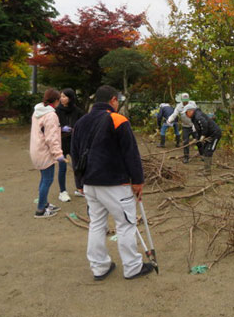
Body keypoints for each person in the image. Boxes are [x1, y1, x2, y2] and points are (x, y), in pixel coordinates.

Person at [71, 85, 153, 280]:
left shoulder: (81, 122)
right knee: (125, 224)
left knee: (97, 224)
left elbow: (75, 154)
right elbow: (130, 153)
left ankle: (99, 267)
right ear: (113, 100)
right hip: (115, 183)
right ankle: (133, 267)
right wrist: (138, 180)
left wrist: (79, 182)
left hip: (89, 183)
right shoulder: (117, 119)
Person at [29, 88, 66, 218]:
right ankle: (40, 210)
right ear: (56, 100)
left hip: (37, 150)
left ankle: (44, 203)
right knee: (47, 179)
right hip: (44, 152)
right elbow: (51, 137)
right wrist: (58, 154)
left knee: (44, 178)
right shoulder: (51, 115)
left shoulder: (38, 111)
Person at [55, 88, 86, 200]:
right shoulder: (56, 111)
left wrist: (75, 130)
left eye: (64, 96)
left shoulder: (78, 111)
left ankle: (80, 188)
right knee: (62, 167)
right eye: (61, 96)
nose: (62, 99)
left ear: (70, 98)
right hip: (61, 143)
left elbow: (84, 124)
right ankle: (62, 192)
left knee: (78, 166)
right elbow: (52, 126)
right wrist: (62, 128)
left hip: (74, 142)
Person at [183, 103, 222, 176]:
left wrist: (203, 135)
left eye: (186, 112)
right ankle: (206, 167)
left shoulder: (198, 116)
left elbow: (204, 124)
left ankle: (207, 171)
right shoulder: (194, 117)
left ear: (190, 111)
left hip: (214, 134)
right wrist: (197, 138)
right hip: (208, 134)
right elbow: (199, 129)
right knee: (204, 149)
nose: (185, 115)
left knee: (209, 150)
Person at [167, 93, 197, 163]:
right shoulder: (179, 106)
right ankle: (186, 157)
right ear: (182, 100)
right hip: (185, 127)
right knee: (185, 142)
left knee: (198, 140)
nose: (185, 102)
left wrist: (195, 124)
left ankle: (202, 155)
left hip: (194, 126)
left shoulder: (193, 104)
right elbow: (174, 114)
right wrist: (169, 119)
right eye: (184, 101)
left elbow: (197, 113)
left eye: (186, 101)